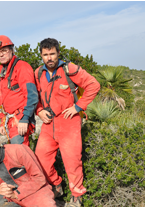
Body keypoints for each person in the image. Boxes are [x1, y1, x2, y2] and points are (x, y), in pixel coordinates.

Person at [34, 38, 100, 206]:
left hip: (69, 122)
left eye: (52, 54)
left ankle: (76, 195)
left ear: (58, 53)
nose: (49, 58)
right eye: (45, 55)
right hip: (48, 124)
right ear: (41, 55)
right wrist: (39, 111)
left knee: (72, 161)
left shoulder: (69, 69)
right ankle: (56, 185)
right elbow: (35, 96)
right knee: (40, 158)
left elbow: (93, 85)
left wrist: (78, 107)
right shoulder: (38, 73)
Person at [0, 124, 56, 207]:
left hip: (35, 191)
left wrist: (17, 193)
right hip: (10, 198)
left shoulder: (18, 150)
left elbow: (39, 178)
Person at [0, 35, 38, 146]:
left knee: (20, 154)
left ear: (12, 50)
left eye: (4, 51)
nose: (1, 54)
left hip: (20, 119)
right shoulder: (2, 73)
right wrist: (2, 122)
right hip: (10, 121)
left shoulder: (22, 67)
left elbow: (31, 96)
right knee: (13, 154)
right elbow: (3, 100)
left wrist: (25, 118)